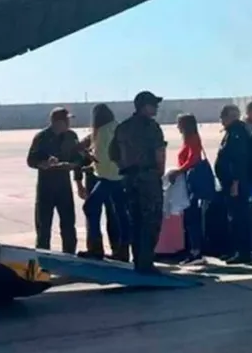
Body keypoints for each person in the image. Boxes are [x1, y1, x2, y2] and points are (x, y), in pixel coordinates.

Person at [110, 91, 168, 274]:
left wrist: (125, 166)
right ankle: (146, 263)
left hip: (129, 179)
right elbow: (160, 152)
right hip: (148, 179)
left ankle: (138, 261)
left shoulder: (123, 127)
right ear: (144, 106)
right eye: (153, 105)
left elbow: (113, 153)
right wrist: (159, 171)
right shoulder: (152, 127)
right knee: (151, 221)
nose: (156, 108)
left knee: (135, 220)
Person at [26, 107, 83, 254]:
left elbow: (78, 157)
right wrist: (44, 163)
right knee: (44, 225)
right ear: (58, 122)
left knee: (68, 223)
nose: (69, 123)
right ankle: (43, 257)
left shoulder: (71, 136)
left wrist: (73, 165)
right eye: (67, 120)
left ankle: (69, 255)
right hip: (46, 186)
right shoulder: (41, 137)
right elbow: (31, 160)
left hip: (64, 185)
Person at [77, 104, 128, 261]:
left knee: (90, 207)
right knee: (120, 213)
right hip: (121, 176)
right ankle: (123, 250)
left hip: (109, 177)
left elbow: (102, 157)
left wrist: (91, 165)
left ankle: (96, 248)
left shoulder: (103, 131)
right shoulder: (116, 127)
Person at [214, 104, 252, 264]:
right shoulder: (232, 132)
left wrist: (236, 182)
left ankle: (242, 252)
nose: (222, 120)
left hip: (236, 183)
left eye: (224, 117)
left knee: (238, 217)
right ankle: (235, 249)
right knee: (233, 217)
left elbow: (239, 160)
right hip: (229, 182)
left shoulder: (237, 133)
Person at [174, 113, 207, 266]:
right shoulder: (188, 139)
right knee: (189, 216)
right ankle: (192, 249)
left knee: (192, 215)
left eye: (179, 123)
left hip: (192, 181)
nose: (177, 127)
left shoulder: (192, 138)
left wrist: (179, 171)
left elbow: (193, 159)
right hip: (187, 179)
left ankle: (196, 250)